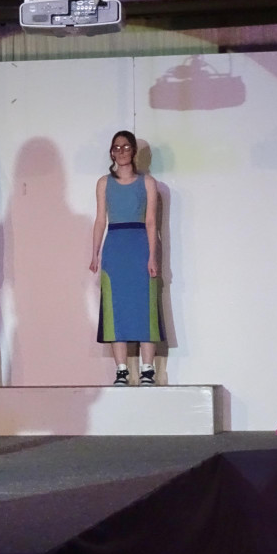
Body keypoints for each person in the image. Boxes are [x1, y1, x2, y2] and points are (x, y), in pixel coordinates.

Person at [89, 130, 165, 385]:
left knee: (144, 308)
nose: (121, 152)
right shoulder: (103, 183)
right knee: (116, 309)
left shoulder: (147, 183)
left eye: (125, 147)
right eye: (116, 147)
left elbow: (151, 221)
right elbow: (100, 220)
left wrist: (153, 256)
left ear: (133, 151)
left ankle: (147, 370)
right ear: (112, 152)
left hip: (139, 247)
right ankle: (121, 370)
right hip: (115, 248)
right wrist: (95, 253)